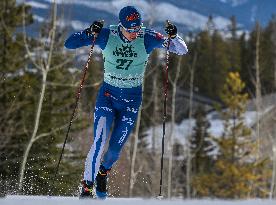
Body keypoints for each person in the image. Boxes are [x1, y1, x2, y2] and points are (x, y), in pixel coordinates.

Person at [64, 6, 188, 198]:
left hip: (131, 100)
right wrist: (89, 32)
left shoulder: (147, 37)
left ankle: (103, 172)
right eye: (130, 30)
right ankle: (87, 187)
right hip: (107, 96)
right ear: (120, 25)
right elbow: (69, 43)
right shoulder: (107, 35)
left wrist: (175, 36)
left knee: (114, 150)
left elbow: (181, 49)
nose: (133, 33)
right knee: (99, 142)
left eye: (137, 29)